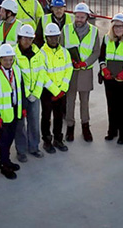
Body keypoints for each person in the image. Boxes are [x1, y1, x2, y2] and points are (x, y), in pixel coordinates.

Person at [63, 2, 100, 142]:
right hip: (70, 71)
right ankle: (70, 127)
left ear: (87, 17)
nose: (79, 19)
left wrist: (86, 62)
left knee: (85, 101)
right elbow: (61, 49)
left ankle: (86, 126)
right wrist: (69, 61)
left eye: (82, 17)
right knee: (70, 100)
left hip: (85, 71)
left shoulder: (94, 31)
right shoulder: (66, 30)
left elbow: (96, 51)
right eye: (77, 17)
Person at [0, 44, 25, 179]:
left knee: (10, 139)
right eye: (5, 60)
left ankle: (5, 160)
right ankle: (4, 165)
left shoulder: (17, 71)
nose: (8, 62)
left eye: (10, 59)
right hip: (2, 115)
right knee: (3, 141)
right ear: (0, 60)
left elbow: (21, 90)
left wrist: (23, 107)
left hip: (15, 110)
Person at [99, 13, 123, 145]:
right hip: (109, 79)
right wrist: (103, 68)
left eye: (120, 26)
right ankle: (112, 131)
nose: (118, 29)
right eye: (115, 26)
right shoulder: (106, 39)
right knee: (111, 106)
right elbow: (101, 57)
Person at [14, 24, 46, 161]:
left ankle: (34, 147)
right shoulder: (13, 54)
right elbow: (15, 77)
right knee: (20, 124)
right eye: (24, 38)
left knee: (34, 122)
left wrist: (36, 93)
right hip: (21, 96)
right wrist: (27, 93)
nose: (27, 41)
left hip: (35, 95)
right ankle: (21, 150)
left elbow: (42, 73)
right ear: (19, 38)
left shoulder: (38, 53)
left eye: (30, 39)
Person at [39, 22, 73, 153]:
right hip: (47, 92)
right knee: (46, 116)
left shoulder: (64, 52)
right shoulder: (41, 53)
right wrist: (55, 90)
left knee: (59, 116)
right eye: (51, 37)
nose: (54, 39)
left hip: (61, 91)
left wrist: (63, 88)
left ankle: (58, 139)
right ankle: (47, 141)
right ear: (46, 38)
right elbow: (42, 74)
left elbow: (68, 68)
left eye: (56, 37)